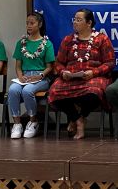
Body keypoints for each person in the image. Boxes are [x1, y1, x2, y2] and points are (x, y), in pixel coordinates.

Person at [49, 8, 115, 139]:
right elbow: (58, 63)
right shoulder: (68, 40)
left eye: (79, 20)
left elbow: (110, 62)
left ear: (89, 23)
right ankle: (78, 120)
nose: (75, 22)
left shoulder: (102, 39)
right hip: (70, 78)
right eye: (74, 19)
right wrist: (63, 72)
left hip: (93, 77)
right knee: (54, 92)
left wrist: (94, 72)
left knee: (95, 92)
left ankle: (77, 118)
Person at [8, 12, 55, 139]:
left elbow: (49, 67)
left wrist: (39, 75)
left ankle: (33, 121)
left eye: (32, 23)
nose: (29, 26)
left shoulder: (47, 43)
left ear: (39, 24)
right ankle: (17, 124)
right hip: (24, 76)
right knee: (12, 90)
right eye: (27, 23)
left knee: (28, 91)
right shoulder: (21, 43)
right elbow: (18, 65)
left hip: (41, 78)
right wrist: (20, 76)